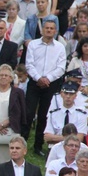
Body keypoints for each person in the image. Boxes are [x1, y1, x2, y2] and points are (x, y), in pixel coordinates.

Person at [24, 17, 66, 156]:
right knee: (28, 113)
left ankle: (38, 146)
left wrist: (48, 79)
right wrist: (38, 78)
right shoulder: (33, 45)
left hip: (51, 84)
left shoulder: (60, 47)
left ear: (55, 31)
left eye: (51, 28)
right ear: (42, 29)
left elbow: (61, 67)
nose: (48, 30)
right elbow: (29, 64)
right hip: (34, 83)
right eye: (46, 28)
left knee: (44, 115)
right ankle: (22, 142)